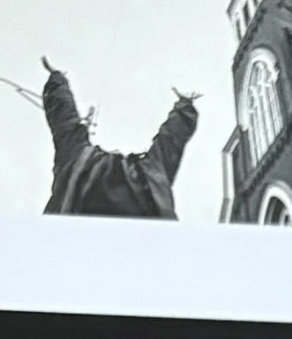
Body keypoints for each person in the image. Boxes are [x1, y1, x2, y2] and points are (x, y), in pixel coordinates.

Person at [41, 57, 198, 219]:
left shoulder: (79, 155)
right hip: (131, 228)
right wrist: (185, 106)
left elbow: (64, 121)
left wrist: (57, 80)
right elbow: (170, 140)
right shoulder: (151, 170)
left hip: (84, 224)